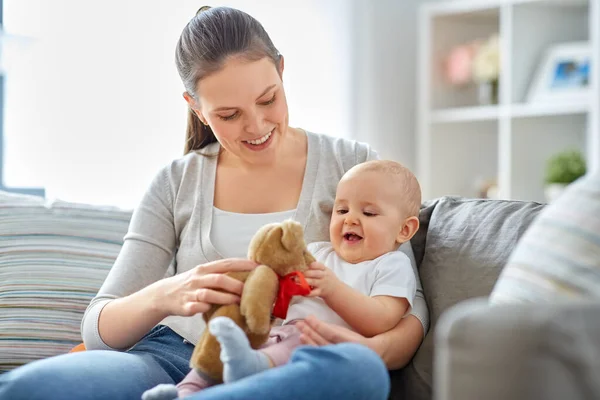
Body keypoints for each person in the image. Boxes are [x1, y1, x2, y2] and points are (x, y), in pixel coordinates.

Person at [0, 6, 428, 400]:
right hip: (173, 357)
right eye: (229, 115)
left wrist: (370, 350)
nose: (257, 126)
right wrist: (168, 294)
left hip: (291, 362)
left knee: (362, 374)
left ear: (282, 71)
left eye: (268, 100)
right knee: (29, 387)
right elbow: (97, 328)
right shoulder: (176, 181)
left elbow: (411, 307)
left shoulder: (352, 166)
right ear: (197, 109)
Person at [143, 160, 422, 399]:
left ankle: (248, 369)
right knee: (219, 346)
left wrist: (333, 290)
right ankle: (184, 392)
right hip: (276, 336)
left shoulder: (392, 265)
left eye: (368, 213)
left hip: (316, 345)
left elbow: (382, 320)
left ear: (405, 229)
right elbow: (280, 297)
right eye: (342, 210)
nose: (350, 220)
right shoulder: (316, 252)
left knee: (284, 347)